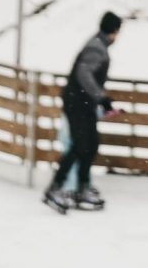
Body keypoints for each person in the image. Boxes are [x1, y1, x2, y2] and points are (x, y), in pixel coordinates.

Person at [44, 11, 123, 213]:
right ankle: (56, 188)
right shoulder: (97, 48)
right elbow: (84, 74)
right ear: (114, 31)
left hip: (82, 102)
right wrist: (102, 98)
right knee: (81, 145)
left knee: (90, 144)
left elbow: (88, 77)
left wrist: (102, 100)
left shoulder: (97, 45)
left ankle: (81, 187)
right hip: (77, 102)